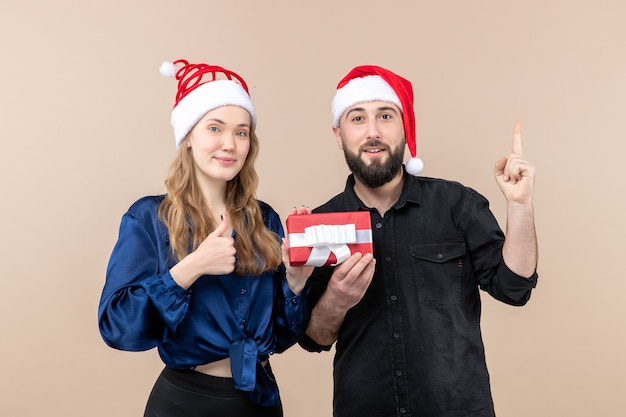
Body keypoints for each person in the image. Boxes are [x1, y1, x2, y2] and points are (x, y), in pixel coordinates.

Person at [298, 65, 538, 417]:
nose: (373, 132)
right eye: (357, 118)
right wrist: (336, 299)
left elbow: (515, 287)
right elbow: (314, 338)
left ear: (405, 127)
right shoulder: (321, 225)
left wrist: (520, 206)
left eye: (385, 115)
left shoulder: (457, 204)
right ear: (339, 135)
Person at [98, 59, 310, 417]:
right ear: (189, 138)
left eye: (241, 132)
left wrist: (296, 281)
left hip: (258, 401)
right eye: (215, 128)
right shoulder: (149, 218)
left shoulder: (265, 219)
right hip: (184, 403)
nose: (229, 143)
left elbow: (281, 337)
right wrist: (191, 267)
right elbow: (117, 327)